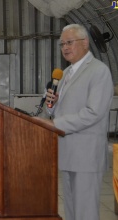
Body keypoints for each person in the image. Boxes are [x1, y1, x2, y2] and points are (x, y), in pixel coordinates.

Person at [37, 24, 113, 220]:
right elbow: (57, 109)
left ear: (85, 43)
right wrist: (51, 106)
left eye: (69, 42)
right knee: (71, 211)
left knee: (85, 212)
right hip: (68, 152)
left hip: (86, 155)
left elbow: (93, 112)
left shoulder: (98, 71)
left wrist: (57, 124)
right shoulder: (65, 74)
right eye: (62, 44)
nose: (65, 48)